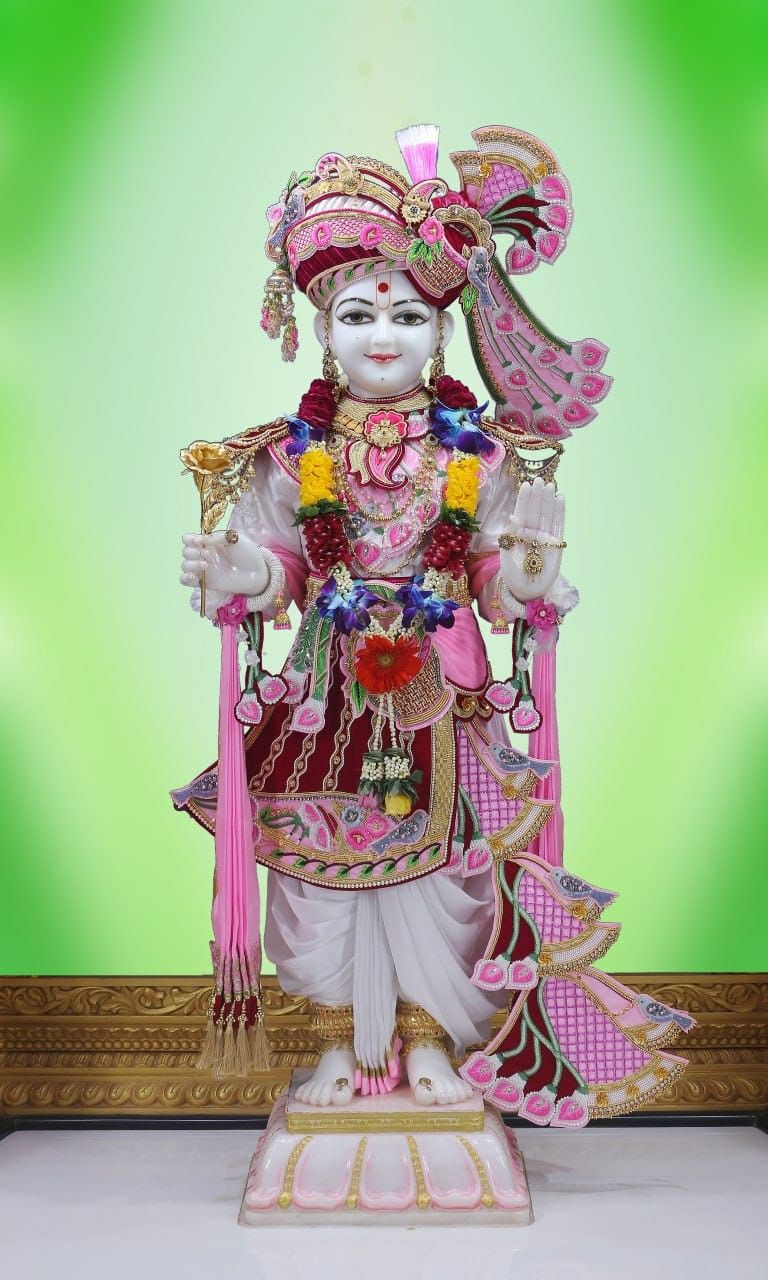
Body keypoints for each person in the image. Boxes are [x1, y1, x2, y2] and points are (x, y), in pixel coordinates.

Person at [174, 125, 693, 1125]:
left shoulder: (480, 454)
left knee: (448, 873)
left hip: (439, 686)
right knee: (314, 870)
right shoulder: (289, 455)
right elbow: (278, 561)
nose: (382, 334)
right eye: (360, 313)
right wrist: (236, 567)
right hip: (325, 686)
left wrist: (531, 564)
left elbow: (502, 574)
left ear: (441, 337)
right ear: (322, 330)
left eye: (408, 315)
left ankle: (424, 1034)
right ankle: (333, 1037)